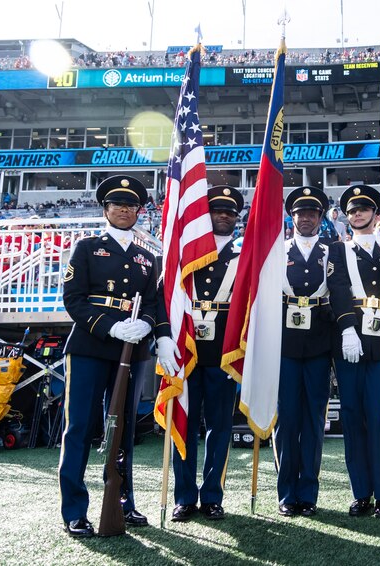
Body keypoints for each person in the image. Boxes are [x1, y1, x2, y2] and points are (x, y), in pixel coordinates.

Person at [58, 175, 157, 537]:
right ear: (105, 209)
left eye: (131, 205)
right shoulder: (87, 248)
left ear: (139, 212)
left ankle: (123, 503)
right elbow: (74, 300)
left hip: (131, 350)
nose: (124, 210)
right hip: (90, 346)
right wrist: (110, 327)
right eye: (117, 204)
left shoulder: (148, 258)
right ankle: (75, 510)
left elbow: (154, 302)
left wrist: (145, 325)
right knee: (80, 428)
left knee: (124, 431)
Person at [155, 186, 243, 522]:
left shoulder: (243, 256)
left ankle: (212, 497)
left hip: (223, 354)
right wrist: (163, 338)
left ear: (236, 218)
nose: (223, 215)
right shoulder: (184, 254)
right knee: (185, 427)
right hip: (185, 352)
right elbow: (164, 298)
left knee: (219, 428)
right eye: (217, 210)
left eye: (229, 212)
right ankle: (184, 497)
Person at [326, 184, 380, 519]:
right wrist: (347, 328)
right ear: (346, 217)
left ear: (377, 214)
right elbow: (337, 288)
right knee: (352, 417)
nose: (357, 213)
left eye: (364, 208)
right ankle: (361, 492)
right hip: (349, 342)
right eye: (352, 209)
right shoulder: (338, 251)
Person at [276, 186, 334, 518]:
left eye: (312, 213)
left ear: (320, 218)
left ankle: (308, 493)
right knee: (287, 420)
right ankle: (286, 493)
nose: (306, 218)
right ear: (292, 217)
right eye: (300, 213)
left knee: (314, 420)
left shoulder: (333, 252)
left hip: (318, 345)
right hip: (284, 345)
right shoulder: (277, 252)